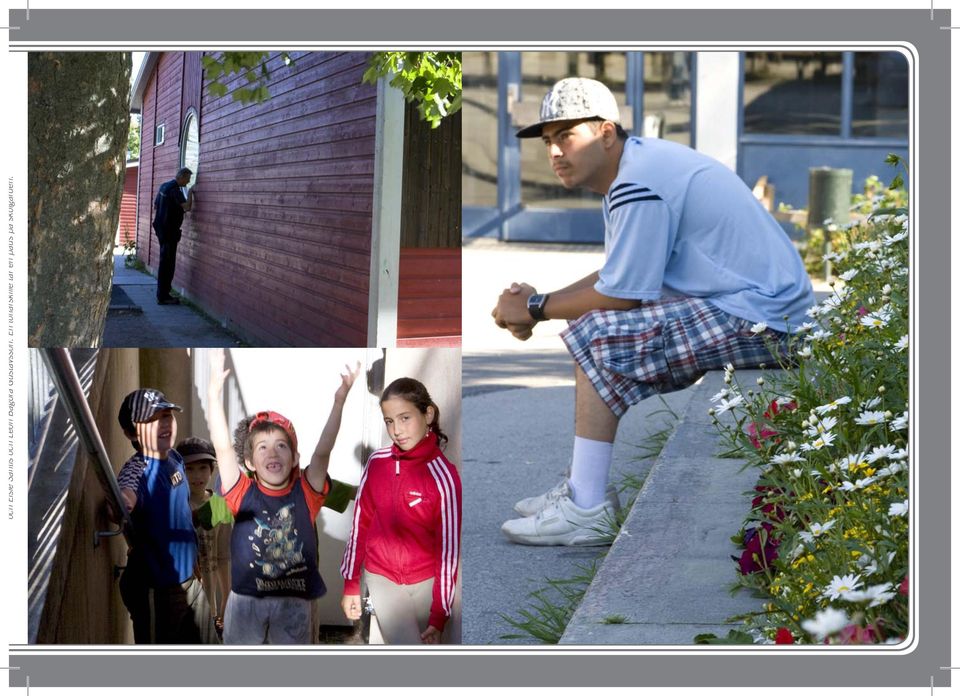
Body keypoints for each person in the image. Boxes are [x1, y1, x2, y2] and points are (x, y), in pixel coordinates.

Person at [491, 77, 815, 547]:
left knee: (600, 336)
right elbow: (619, 277)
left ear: (605, 132)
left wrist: (535, 308)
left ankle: (585, 507)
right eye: (548, 142)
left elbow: (623, 296)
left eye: (567, 136)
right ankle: (582, 487)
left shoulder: (638, 182)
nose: (555, 152)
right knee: (592, 327)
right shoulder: (636, 168)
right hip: (755, 306)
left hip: (767, 319)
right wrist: (536, 304)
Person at [204, 348, 359, 644]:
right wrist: (213, 393)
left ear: (295, 457)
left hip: (294, 600)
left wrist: (339, 401)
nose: (272, 452)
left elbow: (323, 451)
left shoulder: (306, 491)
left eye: (281, 446)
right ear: (249, 463)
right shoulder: (241, 492)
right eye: (262, 447)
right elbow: (222, 447)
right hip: (247, 599)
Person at [340, 378, 462, 645]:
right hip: (382, 576)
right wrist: (351, 583)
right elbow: (360, 523)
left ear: (427, 414)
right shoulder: (377, 463)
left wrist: (439, 614)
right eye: (389, 421)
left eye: (405, 418)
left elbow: (448, 551)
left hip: (426, 583)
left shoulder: (445, 477)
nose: (397, 430)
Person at [115, 388, 213, 643]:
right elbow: (124, 497)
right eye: (151, 420)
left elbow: (178, 509)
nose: (164, 424)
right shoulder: (137, 470)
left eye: (167, 415)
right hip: (158, 590)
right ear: (131, 433)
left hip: (189, 580)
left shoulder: (175, 457)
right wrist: (120, 503)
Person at [177, 436, 233, 640]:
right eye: (189, 469)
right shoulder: (176, 505)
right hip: (178, 599)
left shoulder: (220, 506)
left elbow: (223, 557)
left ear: (212, 469)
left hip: (208, 604)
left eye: (202, 468)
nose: (196, 475)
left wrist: (227, 598)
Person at [152, 167, 195, 305]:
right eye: (187, 179)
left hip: (161, 229)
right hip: (169, 231)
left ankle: (163, 294)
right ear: (181, 177)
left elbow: (155, 206)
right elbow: (187, 207)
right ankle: (163, 296)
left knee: (164, 261)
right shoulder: (175, 190)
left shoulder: (164, 186)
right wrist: (191, 192)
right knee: (168, 264)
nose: (187, 183)